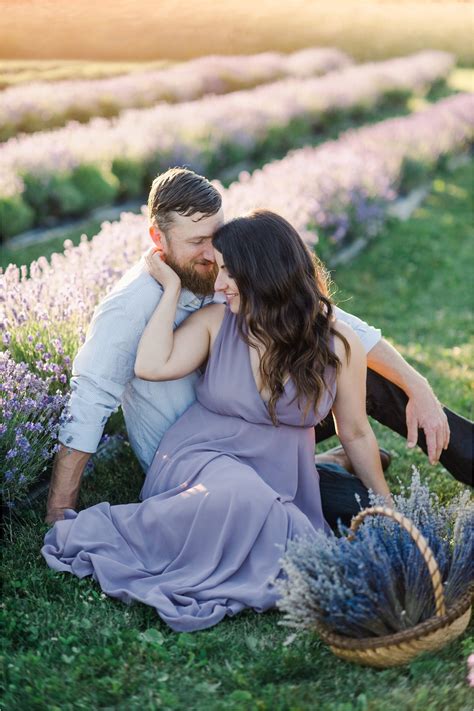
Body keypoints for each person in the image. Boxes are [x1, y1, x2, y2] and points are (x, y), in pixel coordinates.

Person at [45, 168, 471, 527]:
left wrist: (420, 387)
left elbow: (335, 325)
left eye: (217, 237)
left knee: (364, 373)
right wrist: (59, 511)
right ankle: (327, 467)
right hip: (202, 457)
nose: (212, 255)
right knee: (336, 512)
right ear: (159, 238)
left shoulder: (226, 272)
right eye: (196, 242)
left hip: (272, 420)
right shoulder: (130, 307)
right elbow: (90, 400)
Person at [42, 209, 392, 632]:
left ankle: (322, 479)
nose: (219, 283)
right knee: (241, 495)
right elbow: (152, 365)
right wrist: (171, 287)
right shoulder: (216, 322)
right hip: (201, 457)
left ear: (265, 273)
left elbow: (355, 430)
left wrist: (386, 506)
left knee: (293, 528)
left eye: (229, 272)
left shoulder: (338, 344)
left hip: (282, 475)